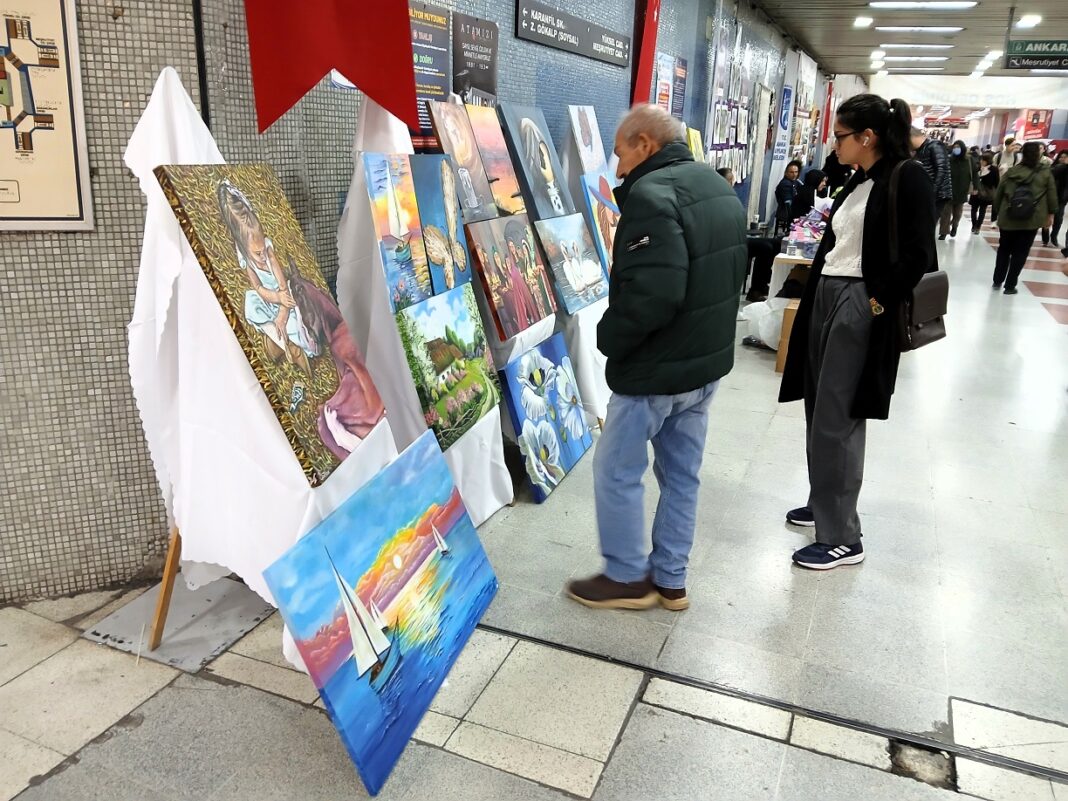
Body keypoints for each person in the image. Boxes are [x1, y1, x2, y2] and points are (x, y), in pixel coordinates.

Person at [567, 104, 746, 609]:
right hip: (703, 367)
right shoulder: (716, 186)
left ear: (645, 144)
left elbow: (653, 295)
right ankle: (671, 578)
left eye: (620, 154)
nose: (618, 168)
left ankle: (627, 577)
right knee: (682, 475)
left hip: (655, 371)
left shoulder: (650, 196)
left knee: (616, 471)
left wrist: (608, 338)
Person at [778, 94, 937, 569]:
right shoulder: (858, 179)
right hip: (827, 293)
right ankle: (824, 502)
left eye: (841, 136)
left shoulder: (907, 177)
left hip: (859, 300)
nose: (834, 144)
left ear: (867, 137)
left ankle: (843, 536)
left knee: (839, 416)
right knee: (817, 407)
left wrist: (874, 303)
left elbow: (918, 255)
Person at [992, 141, 1058, 295]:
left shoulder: (1011, 172)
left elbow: (999, 194)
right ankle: (1010, 286)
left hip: (1009, 218)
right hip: (1031, 219)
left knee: (1004, 249)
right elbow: (1052, 196)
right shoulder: (1045, 173)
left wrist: (999, 211)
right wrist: (1051, 214)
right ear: (1039, 154)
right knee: (1021, 252)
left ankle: (997, 280)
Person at [911, 127, 951, 237]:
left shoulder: (935, 145)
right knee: (923, 226)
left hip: (938, 195)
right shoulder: (920, 150)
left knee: (927, 227)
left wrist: (932, 191)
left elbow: (942, 169)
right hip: (929, 193)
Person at [943, 140, 973, 238]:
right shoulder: (949, 159)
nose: (956, 149)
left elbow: (974, 174)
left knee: (957, 212)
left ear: (962, 148)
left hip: (962, 190)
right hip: (949, 188)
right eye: (955, 147)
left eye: (958, 147)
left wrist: (976, 187)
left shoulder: (969, 160)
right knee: (946, 212)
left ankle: (955, 226)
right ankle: (944, 232)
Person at [971, 153, 999, 234]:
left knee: (982, 210)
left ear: (988, 161)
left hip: (986, 193)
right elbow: (972, 178)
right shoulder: (977, 167)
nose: (981, 161)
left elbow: (996, 182)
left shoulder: (994, 169)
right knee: (973, 209)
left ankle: (978, 227)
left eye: (983, 160)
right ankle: (974, 225)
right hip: (976, 191)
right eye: (981, 160)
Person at [775, 160, 804, 232]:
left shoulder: (795, 181)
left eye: (796, 172)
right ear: (786, 173)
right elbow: (788, 203)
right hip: (785, 212)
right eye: (791, 172)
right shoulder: (785, 184)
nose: (794, 174)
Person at [1050, 150, 1068, 249]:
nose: (1063, 159)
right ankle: (1045, 237)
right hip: (1051, 196)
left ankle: (1054, 236)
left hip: (1061, 199)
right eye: (1061, 157)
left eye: (1065, 157)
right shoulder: (1056, 168)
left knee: (1058, 219)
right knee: (1046, 218)